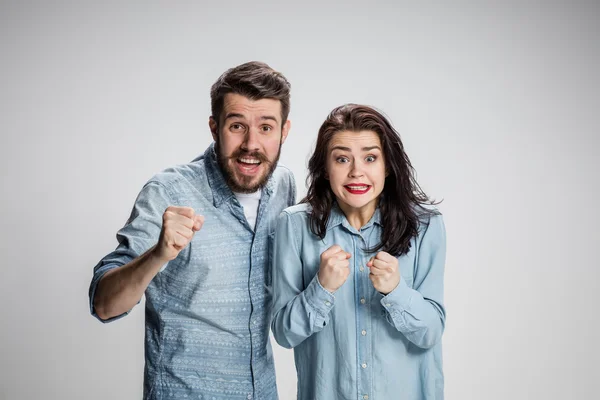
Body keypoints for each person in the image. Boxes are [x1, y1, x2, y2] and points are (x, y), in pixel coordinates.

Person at [89, 61, 295, 400]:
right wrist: (158, 255)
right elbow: (104, 305)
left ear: (284, 131)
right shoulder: (167, 193)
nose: (251, 144)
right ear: (214, 128)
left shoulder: (283, 186)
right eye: (237, 125)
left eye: (266, 127)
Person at [271, 104, 446, 400]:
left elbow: (430, 332)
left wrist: (396, 291)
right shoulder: (294, 225)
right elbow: (284, 334)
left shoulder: (426, 225)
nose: (356, 172)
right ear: (325, 168)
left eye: (370, 158)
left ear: (387, 165)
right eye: (342, 159)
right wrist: (321, 288)